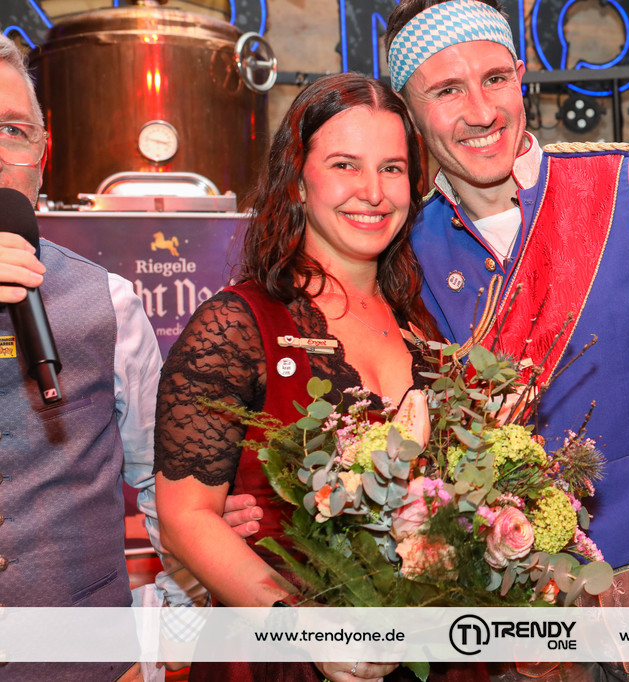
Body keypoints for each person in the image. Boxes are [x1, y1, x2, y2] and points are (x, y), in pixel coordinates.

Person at [384, 1, 629, 679]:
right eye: (446, 90)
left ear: (522, 77)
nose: (481, 110)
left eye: (495, 79)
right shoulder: (408, 252)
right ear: (409, 114)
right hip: (517, 610)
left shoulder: (628, 190)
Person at [153, 72, 439, 681]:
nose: (372, 191)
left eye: (391, 168)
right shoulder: (237, 324)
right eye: (344, 165)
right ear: (298, 181)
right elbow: (185, 518)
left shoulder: (425, 329)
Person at [0, 32, 262, 681]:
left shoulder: (111, 303)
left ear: (43, 155)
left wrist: (169, 633)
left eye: (12, 131)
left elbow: (162, 486)